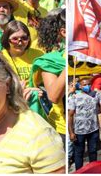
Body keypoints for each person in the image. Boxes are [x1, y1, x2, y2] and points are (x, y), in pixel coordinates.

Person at [30, 8, 66, 145]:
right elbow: (53, 96)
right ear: (63, 32)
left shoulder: (88, 57)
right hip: (61, 129)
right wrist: (68, 64)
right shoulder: (50, 61)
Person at [68, 77, 101, 170]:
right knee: (79, 153)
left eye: (88, 84)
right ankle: (79, 171)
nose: (87, 86)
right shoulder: (74, 97)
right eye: (84, 85)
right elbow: (70, 116)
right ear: (80, 86)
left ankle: (92, 170)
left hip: (93, 129)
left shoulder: (97, 94)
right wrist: (71, 132)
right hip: (79, 131)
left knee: (93, 151)